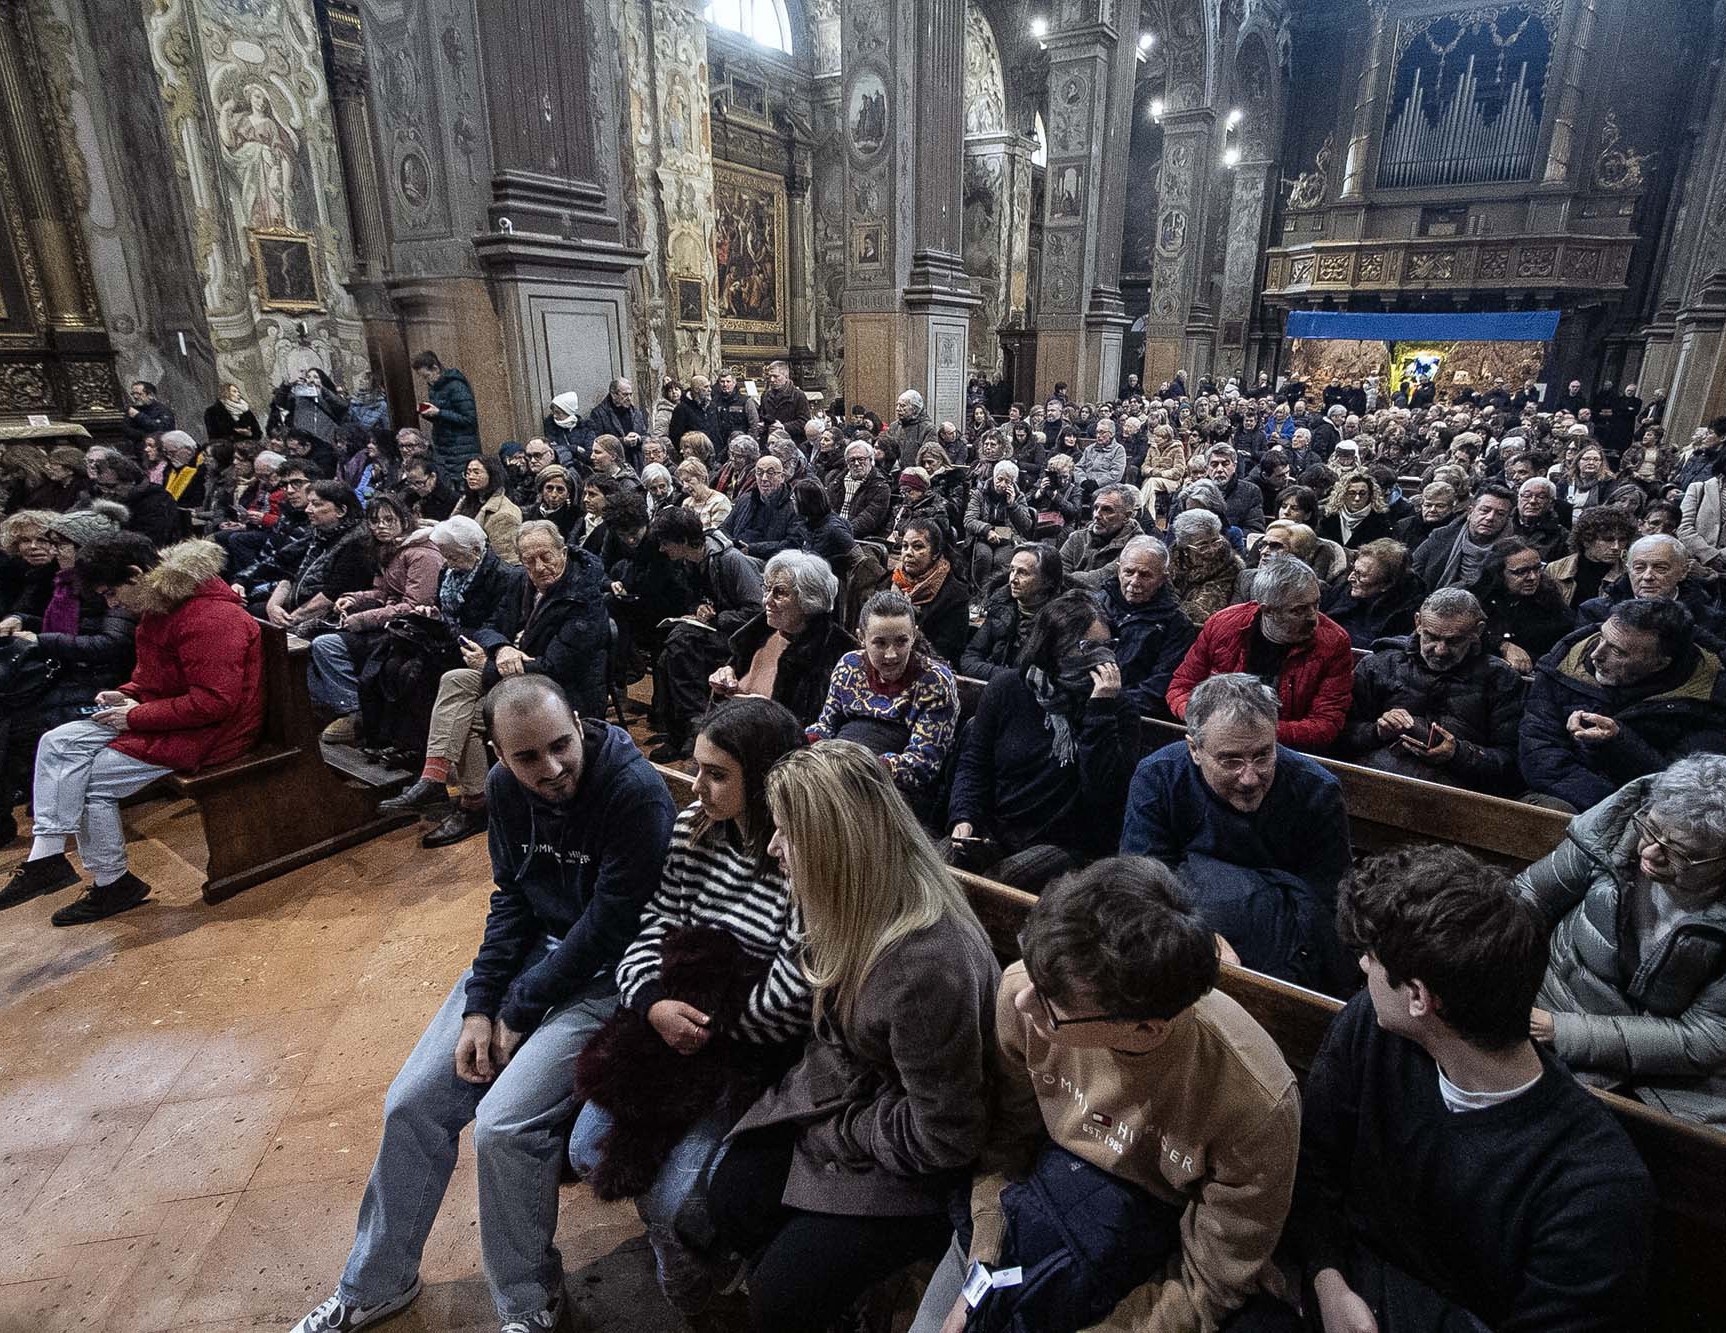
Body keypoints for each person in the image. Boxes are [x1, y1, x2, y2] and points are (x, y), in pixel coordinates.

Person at [287, 675, 674, 1333]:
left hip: (610, 976)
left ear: (579, 723)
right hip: (532, 966)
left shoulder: (633, 792)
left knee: (503, 1125)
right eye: (527, 757)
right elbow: (512, 900)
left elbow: (608, 928)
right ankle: (377, 1282)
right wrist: (480, 1005)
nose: (551, 768)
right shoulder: (503, 789)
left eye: (561, 745)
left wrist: (516, 1012)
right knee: (412, 1103)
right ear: (498, 754)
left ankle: (530, 1303)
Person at [914, 857, 1302, 1333]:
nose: (1021, 1001)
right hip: (1032, 1211)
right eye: (1031, 975)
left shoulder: (1255, 1101)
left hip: (1150, 1251)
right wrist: (981, 1276)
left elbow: (1208, 1280)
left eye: (1053, 1007)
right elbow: (1005, 1149)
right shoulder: (1032, 989)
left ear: (1144, 1029)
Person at [1290, 844, 1653, 1332]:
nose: (1362, 968)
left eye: (1370, 958)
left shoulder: (1595, 1186)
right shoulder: (1373, 1028)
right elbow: (1312, 1166)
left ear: (1418, 996)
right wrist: (1328, 1282)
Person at [706, 740, 1000, 1333]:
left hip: (917, 1163)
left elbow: (947, 1138)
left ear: (834, 846)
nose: (773, 848)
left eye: (787, 833)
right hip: (859, 1103)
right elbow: (836, 1040)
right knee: (731, 1195)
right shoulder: (849, 903)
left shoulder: (924, 967)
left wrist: (847, 1129)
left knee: (780, 1299)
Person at [566, 698, 811, 1314]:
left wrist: (704, 1025)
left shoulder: (799, 855)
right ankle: (685, 1251)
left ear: (766, 778)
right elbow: (655, 924)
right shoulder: (694, 828)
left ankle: (695, 1276)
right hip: (667, 1025)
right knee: (586, 1150)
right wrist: (652, 1003)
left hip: (746, 1053)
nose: (696, 786)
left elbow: (793, 994)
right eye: (697, 767)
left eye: (717, 774)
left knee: (675, 1198)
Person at [0, 534, 262, 923]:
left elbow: (214, 703)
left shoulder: (210, 617)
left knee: (89, 782)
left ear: (137, 575)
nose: (112, 604)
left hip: (213, 734)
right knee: (57, 741)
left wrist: (135, 716)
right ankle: (46, 856)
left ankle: (112, 882)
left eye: (111, 593)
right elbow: (153, 677)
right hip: (168, 716)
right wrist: (126, 693)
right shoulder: (162, 606)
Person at [1516, 755, 1726, 1126]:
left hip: (1666, 1066)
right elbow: (1528, 896)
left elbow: (1707, 1036)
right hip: (1553, 995)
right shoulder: (1618, 827)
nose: (1649, 852)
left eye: (1681, 853)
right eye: (1652, 829)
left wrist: (1561, 1031)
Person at [1121, 673, 1351, 991]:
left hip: (1282, 942)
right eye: (1231, 761)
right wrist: (1200, 935)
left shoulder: (1316, 789)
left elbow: (1327, 897)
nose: (1249, 778)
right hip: (1184, 926)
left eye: (1263, 755)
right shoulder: (1158, 777)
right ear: (1194, 749)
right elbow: (1141, 880)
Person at [947, 592, 1140, 890]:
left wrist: (1100, 711)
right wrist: (964, 817)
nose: (1102, 658)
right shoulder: (1008, 688)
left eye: (1108, 646)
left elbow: (1104, 794)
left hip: (1065, 842)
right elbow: (975, 763)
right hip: (997, 827)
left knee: (998, 883)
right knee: (940, 865)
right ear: (1053, 646)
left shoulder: (1117, 708)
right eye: (1088, 647)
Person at [0, 504, 136, 839]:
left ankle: (40, 810)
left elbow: (112, 644)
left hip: (100, 680)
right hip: (69, 668)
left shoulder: (108, 588)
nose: (51, 550)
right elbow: (65, 628)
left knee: (22, 722)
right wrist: (23, 620)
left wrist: (42, 640)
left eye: (59, 544)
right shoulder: (62, 582)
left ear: (85, 548)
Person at [1522, 598, 1726, 812]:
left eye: (1617, 652)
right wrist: (1607, 808)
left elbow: (1681, 785)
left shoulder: (1710, 700)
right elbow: (1538, 752)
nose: (1595, 654)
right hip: (1570, 798)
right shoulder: (1563, 665)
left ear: (1660, 663)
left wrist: (1619, 742)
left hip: (1652, 813)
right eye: (1601, 637)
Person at [1342, 587, 1526, 791]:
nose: (1440, 650)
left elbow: (1513, 762)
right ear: (1418, 623)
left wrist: (1457, 754)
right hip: (1374, 779)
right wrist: (1377, 732)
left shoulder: (1500, 679)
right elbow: (1341, 733)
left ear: (1477, 631)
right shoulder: (1381, 665)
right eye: (1431, 637)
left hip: (1457, 792)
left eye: (1454, 640)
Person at [1168, 557, 1355, 750]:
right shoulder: (1223, 625)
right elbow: (1181, 687)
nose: (1312, 617)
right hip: (1215, 736)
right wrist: (1207, 720)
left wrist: (1249, 731)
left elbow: (1325, 724)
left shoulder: (1334, 642)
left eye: (1316, 604)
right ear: (1267, 610)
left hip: (1283, 748)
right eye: (1298, 610)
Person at [308, 495, 445, 741]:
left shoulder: (421, 554)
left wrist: (363, 619)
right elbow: (382, 592)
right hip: (388, 622)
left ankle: (354, 711)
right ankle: (344, 708)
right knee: (314, 643)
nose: (381, 526)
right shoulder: (388, 549)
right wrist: (354, 599)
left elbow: (416, 605)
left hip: (408, 631)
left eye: (388, 520)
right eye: (374, 521)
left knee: (326, 645)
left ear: (404, 520)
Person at [809, 588, 959, 806]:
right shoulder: (849, 666)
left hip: (894, 788)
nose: (891, 654)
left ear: (913, 636)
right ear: (862, 638)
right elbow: (826, 725)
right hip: (837, 767)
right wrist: (802, 744)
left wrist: (862, 767)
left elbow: (923, 764)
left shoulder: (935, 682)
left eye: (901, 642)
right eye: (880, 643)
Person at [648, 506, 767, 762]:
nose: (661, 549)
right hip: (715, 631)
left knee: (680, 643)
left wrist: (717, 617)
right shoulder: (690, 563)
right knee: (667, 655)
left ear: (683, 540)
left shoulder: (731, 560)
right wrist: (698, 608)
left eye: (666, 542)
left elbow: (757, 612)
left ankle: (697, 727)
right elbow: (697, 598)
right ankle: (678, 731)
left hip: (741, 638)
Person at [708, 549, 853, 729]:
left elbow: (821, 730)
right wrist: (723, 680)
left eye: (780, 592)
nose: (766, 601)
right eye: (767, 589)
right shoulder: (756, 635)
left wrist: (768, 713)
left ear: (809, 599)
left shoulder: (837, 653)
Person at [1095, 534, 1196, 718]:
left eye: (1145, 575)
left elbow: (1159, 686)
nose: (1134, 581)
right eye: (1129, 572)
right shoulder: (1096, 604)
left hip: (1130, 714)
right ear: (1118, 570)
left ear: (1162, 578)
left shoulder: (1176, 625)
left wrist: (1107, 704)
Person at [258, 480, 373, 634]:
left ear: (341, 511)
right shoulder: (318, 531)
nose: (308, 510)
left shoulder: (357, 542)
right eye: (309, 503)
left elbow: (332, 595)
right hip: (298, 604)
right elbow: (291, 573)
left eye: (316, 504)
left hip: (331, 613)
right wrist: (273, 606)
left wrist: (290, 620)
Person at [1577, 532, 1726, 641]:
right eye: (1639, 568)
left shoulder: (1711, 621)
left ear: (1683, 571)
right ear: (1628, 569)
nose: (1647, 576)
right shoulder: (1595, 612)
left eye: (1660, 568)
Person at [1467, 537, 1577, 673]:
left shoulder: (1548, 598)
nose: (1533, 577)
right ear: (1499, 572)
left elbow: (1568, 637)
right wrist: (1501, 645)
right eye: (1521, 572)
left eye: (1537, 569)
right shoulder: (1475, 598)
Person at [961, 542, 1061, 681]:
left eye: (1023, 573)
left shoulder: (1061, 620)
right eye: (1012, 570)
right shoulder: (1001, 605)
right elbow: (969, 658)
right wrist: (1006, 678)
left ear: (1047, 581)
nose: (1013, 579)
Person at [888, 515, 970, 666]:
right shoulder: (890, 581)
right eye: (905, 546)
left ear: (935, 553)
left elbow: (947, 652)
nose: (908, 553)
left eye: (917, 547)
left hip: (927, 666)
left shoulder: (955, 596)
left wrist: (907, 619)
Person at [1319, 537, 1423, 648]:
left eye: (1361, 575)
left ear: (1386, 585)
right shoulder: (1345, 587)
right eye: (1353, 569)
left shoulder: (1405, 615)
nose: (1350, 578)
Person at [1411, 484, 1515, 590]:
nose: (1490, 517)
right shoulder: (1441, 536)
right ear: (1470, 512)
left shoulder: (1515, 549)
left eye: (1500, 514)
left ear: (1507, 518)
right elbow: (1412, 571)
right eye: (1485, 510)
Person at [1545, 502, 1636, 607]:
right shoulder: (1555, 569)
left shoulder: (1628, 573)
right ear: (1586, 540)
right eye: (1608, 540)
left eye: (1622, 540)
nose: (1616, 547)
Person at [410, 351, 480, 485]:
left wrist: (439, 413)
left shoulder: (456, 386)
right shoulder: (435, 388)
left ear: (435, 368)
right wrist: (430, 414)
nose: (427, 381)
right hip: (445, 447)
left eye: (427, 376)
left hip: (461, 448)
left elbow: (469, 418)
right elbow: (444, 418)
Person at [964, 459, 1035, 589]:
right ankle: (978, 591)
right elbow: (969, 520)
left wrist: (1013, 505)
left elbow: (1026, 525)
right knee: (984, 556)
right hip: (982, 535)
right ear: (994, 477)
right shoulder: (980, 493)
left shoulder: (1018, 496)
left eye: (1008, 482)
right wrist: (987, 530)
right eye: (1000, 479)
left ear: (1013, 483)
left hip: (1007, 536)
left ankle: (996, 591)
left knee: (1001, 561)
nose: (1002, 485)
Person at [1168, 507, 1244, 625]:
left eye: (1215, 542)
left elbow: (1203, 614)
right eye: (1203, 546)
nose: (1212, 550)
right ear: (1186, 548)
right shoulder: (1171, 561)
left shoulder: (1229, 566)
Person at [1059, 483, 1140, 590]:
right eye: (1096, 508)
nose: (1096, 515)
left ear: (1126, 516)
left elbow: (1100, 580)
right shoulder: (1077, 538)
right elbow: (1056, 572)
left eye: (1107, 510)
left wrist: (1067, 580)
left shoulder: (1137, 548)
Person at [723, 454, 798, 560]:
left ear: (782, 477)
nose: (764, 478)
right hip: (735, 551)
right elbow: (724, 528)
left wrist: (752, 549)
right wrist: (732, 543)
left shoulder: (793, 506)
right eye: (759, 473)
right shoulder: (746, 499)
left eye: (770, 473)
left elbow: (792, 544)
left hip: (768, 560)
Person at [454, 455, 523, 565]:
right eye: (468, 473)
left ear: (492, 475)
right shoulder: (466, 501)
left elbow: (507, 560)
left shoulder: (504, 514)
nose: (470, 477)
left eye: (476, 472)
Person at [585, 377, 650, 473]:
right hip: (613, 466)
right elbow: (596, 443)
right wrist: (622, 442)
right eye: (625, 394)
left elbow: (646, 436)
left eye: (630, 394)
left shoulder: (635, 412)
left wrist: (639, 438)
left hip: (637, 463)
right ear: (614, 394)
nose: (629, 398)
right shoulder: (599, 414)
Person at [1316, 470, 1393, 550]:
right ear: (1343, 495)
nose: (1357, 498)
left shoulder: (1381, 522)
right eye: (1351, 493)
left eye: (1362, 493)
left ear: (1370, 495)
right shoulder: (1327, 518)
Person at [1510, 477, 1568, 560]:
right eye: (1527, 496)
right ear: (1518, 499)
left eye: (1541, 497)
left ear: (1552, 503)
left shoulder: (1561, 537)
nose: (1532, 501)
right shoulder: (1504, 524)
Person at [1393, 480, 1458, 550]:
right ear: (1422, 505)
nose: (1432, 510)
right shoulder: (1404, 526)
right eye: (1428, 505)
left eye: (1440, 506)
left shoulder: (1457, 529)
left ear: (1451, 507)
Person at [757, 361, 810, 445]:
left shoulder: (798, 395)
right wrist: (762, 425)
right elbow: (762, 416)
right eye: (770, 376)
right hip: (770, 442)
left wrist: (784, 427)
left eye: (776, 376)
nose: (772, 380)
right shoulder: (766, 395)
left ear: (786, 376)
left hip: (791, 442)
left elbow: (804, 422)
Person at [883, 387, 937, 468]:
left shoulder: (928, 429)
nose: (898, 409)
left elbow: (929, 457)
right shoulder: (894, 427)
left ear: (914, 409)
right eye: (897, 405)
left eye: (903, 406)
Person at [520, 464, 577, 540]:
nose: (554, 495)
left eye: (560, 489)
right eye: (549, 488)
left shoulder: (575, 517)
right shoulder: (526, 513)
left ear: (568, 494)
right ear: (541, 490)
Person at [121, 380, 175, 455]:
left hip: (158, 452)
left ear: (150, 395)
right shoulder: (131, 410)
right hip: (136, 451)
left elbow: (163, 429)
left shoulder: (162, 410)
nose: (135, 397)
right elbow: (127, 430)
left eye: (139, 394)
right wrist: (146, 434)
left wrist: (138, 416)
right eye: (133, 394)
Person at [204, 381, 261, 448]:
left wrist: (250, 434)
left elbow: (258, 432)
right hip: (225, 449)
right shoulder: (212, 411)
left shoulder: (245, 410)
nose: (238, 394)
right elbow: (213, 436)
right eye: (234, 391)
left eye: (238, 392)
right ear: (226, 393)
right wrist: (235, 434)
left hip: (246, 449)